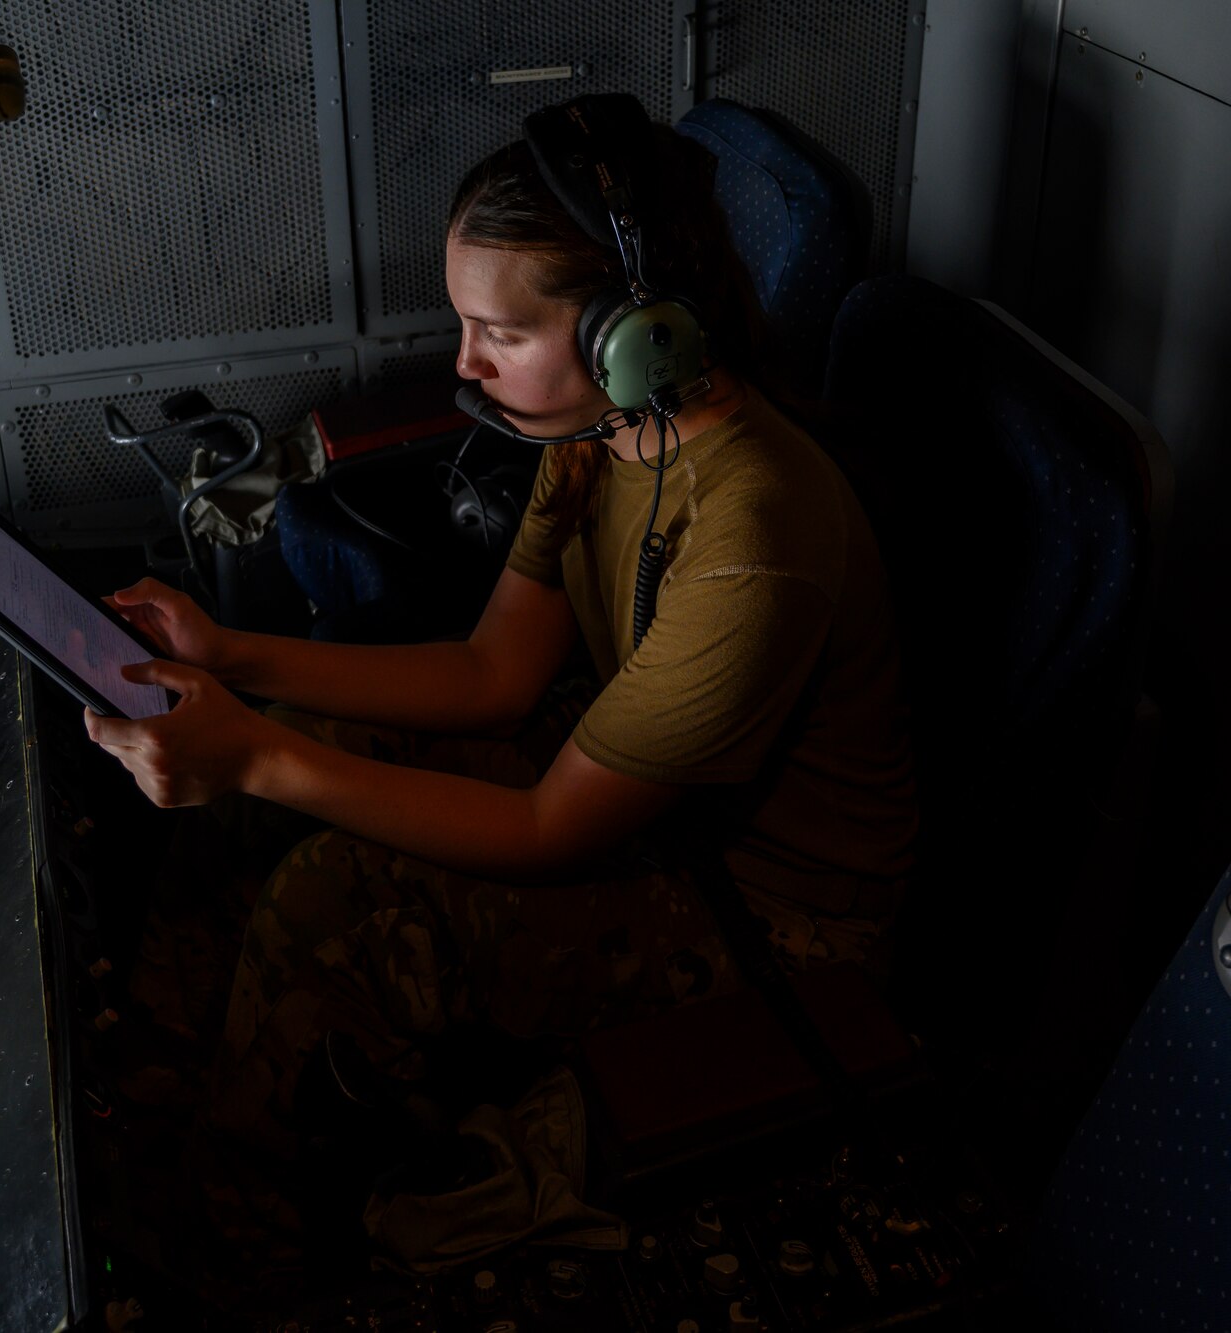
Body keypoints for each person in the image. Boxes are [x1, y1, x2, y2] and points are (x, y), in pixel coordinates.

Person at [84, 97, 915, 1258]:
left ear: (634, 334)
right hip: (628, 785)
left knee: (330, 898)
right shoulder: (602, 433)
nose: (463, 363)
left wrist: (262, 758)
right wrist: (232, 664)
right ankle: (151, 1102)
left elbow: (548, 831)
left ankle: (228, 1253)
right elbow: (492, 674)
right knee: (268, 754)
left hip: (774, 910)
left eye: (499, 334)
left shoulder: (754, 536)